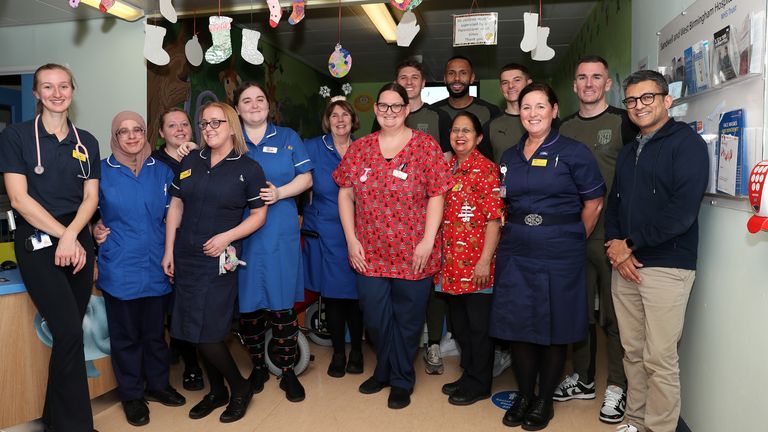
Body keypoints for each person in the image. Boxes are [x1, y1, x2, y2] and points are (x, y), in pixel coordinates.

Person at [491, 83, 605, 430]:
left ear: (555, 110)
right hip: (517, 249)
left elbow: (594, 203)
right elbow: (503, 201)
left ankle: (545, 400)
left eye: (540, 106)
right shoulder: (510, 156)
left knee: (554, 327)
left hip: (560, 251)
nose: (533, 113)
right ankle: (525, 394)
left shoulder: (573, 151)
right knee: (520, 326)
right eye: (526, 107)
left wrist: (570, 238)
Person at [333, 83, 453, 409]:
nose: (389, 112)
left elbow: (437, 194)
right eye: (383, 106)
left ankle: (400, 378)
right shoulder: (360, 149)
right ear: (375, 110)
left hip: (414, 251)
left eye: (396, 106)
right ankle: (384, 368)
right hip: (368, 251)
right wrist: (351, 239)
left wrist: (428, 240)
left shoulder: (425, 147)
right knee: (375, 316)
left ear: (407, 109)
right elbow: (345, 192)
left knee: (408, 319)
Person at [606, 70, 708, 432]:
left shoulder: (688, 144)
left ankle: (660, 428)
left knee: (659, 358)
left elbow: (681, 212)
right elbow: (614, 205)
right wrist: (616, 248)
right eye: (631, 100)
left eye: (647, 97)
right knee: (632, 353)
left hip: (667, 265)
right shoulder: (631, 150)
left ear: (667, 100)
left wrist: (630, 244)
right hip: (626, 266)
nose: (638, 106)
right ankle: (635, 420)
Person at [0, 63, 101, 432]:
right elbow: (19, 199)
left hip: (76, 241)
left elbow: (91, 198)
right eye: (47, 86)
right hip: (38, 242)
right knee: (70, 333)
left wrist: (74, 236)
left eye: (63, 86)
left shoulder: (86, 141)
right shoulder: (17, 136)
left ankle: (55, 421)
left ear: (73, 90)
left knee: (68, 333)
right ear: (36, 93)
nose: (56, 93)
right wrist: (65, 235)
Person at [162, 102, 268, 423]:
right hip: (186, 256)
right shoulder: (190, 160)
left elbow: (259, 215)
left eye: (216, 123)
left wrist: (227, 236)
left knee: (209, 333)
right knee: (191, 332)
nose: (208, 129)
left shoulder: (249, 168)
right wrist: (169, 251)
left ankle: (239, 387)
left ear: (231, 125)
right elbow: (176, 206)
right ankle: (217, 391)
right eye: (204, 124)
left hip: (220, 259)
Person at [555, 55, 638, 424]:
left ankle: (618, 385)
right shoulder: (563, 128)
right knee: (578, 312)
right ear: (574, 86)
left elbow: (637, 179)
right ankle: (584, 378)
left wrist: (630, 238)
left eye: (596, 77)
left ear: (608, 84)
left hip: (613, 238)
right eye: (582, 77)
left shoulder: (624, 122)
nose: (588, 83)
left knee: (615, 316)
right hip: (573, 237)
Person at [97, 111, 185, 426]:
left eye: (138, 130)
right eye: (124, 131)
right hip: (119, 265)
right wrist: (95, 226)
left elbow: (173, 214)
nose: (132, 136)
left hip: (157, 264)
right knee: (126, 337)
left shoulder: (161, 171)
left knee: (154, 334)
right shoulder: (100, 173)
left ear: (147, 133)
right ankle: (132, 396)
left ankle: (159, 386)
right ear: (115, 136)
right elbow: (86, 211)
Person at [234, 82, 313, 402]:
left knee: (282, 306)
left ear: (269, 105)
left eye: (260, 99)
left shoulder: (288, 138)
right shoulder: (229, 140)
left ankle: (287, 371)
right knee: (249, 308)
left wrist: (280, 193)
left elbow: (306, 178)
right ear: (236, 108)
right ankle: (257, 367)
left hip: (279, 230)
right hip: (241, 234)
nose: (254, 105)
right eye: (246, 101)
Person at [437, 111, 503, 406]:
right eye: (455, 130)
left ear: (478, 137)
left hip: (477, 263)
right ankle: (469, 374)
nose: (459, 135)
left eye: (466, 130)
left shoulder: (487, 170)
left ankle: (480, 383)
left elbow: (494, 219)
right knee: (460, 326)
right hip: (449, 263)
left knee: (479, 327)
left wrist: (484, 261)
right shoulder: (446, 165)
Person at [302, 98, 365, 378]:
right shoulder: (312, 147)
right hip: (326, 231)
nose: (340, 119)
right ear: (328, 120)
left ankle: (358, 352)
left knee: (358, 295)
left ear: (353, 119)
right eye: (334, 115)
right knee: (334, 296)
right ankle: (339, 352)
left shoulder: (366, 147)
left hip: (362, 232)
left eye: (345, 114)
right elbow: (297, 180)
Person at [152, 108, 204, 392]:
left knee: (190, 307)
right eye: (172, 125)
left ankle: (193, 361)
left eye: (184, 124)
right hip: (163, 241)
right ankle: (189, 364)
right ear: (161, 133)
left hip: (195, 241)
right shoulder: (153, 163)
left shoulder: (204, 157)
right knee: (170, 307)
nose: (180, 129)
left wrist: (196, 154)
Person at [372, 58, 453, 158]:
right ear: (396, 84)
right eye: (403, 77)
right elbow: (374, 152)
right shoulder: (385, 116)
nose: (409, 82)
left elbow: (447, 157)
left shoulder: (440, 116)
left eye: (414, 77)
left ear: (423, 83)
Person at [433, 55, 500, 160]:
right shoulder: (434, 112)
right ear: (445, 78)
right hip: (442, 174)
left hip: (482, 174)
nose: (457, 78)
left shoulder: (490, 111)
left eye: (463, 73)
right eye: (451, 73)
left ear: (472, 78)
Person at [486, 63, 532, 164]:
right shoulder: (490, 126)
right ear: (501, 88)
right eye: (505, 83)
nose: (511, 86)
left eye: (517, 80)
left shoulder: (543, 121)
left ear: (529, 84)